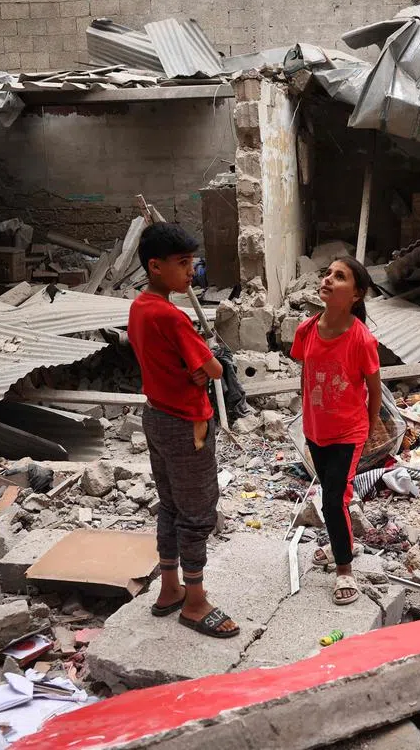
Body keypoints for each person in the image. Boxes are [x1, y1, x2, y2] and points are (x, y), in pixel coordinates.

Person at [126, 222, 239, 638]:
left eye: (192, 262)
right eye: (182, 263)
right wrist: (206, 364)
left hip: (156, 415)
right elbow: (212, 368)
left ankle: (169, 588)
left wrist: (192, 369)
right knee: (197, 514)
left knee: (170, 505)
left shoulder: (139, 308)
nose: (191, 271)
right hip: (185, 422)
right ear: (155, 266)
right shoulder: (171, 316)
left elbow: (174, 363)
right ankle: (195, 601)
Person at [291, 256, 382, 606]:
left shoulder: (362, 340)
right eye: (327, 273)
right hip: (315, 428)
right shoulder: (306, 329)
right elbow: (306, 373)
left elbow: (375, 389)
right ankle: (339, 541)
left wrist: (371, 428)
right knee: (338, 496)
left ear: (356, 294)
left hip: (348, 432)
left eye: (339, 276)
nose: (328, 279)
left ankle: (344, 569)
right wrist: (306, 413)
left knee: (331, 498)